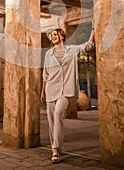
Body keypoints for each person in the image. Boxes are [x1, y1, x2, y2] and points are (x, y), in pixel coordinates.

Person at [40, 27, 95, 163]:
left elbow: (88, 46)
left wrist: (93, 29)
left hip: (66, 90)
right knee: (51, 120)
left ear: (62, 36)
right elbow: (45, 74)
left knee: (58, 113)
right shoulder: (48, 54)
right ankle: (55, 150)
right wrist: (42, 91)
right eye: (51, 35)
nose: (52, 37)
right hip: (51, 89)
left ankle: (56, 149)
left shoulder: (71, 50)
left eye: (55, 34)